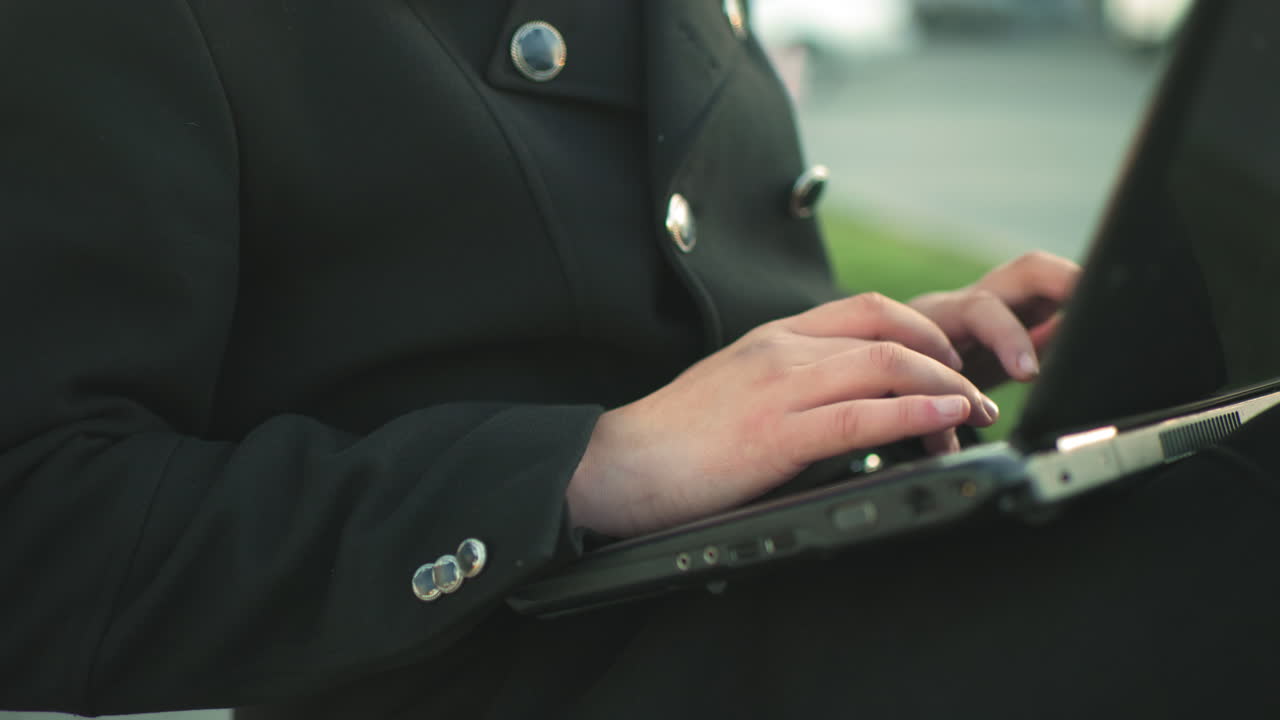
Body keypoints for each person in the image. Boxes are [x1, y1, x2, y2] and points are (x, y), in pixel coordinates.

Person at [3, 1, 1278, 718]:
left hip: (771, 605)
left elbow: (656, 317)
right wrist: (585, 467)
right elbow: (39, 541)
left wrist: (860, 372)